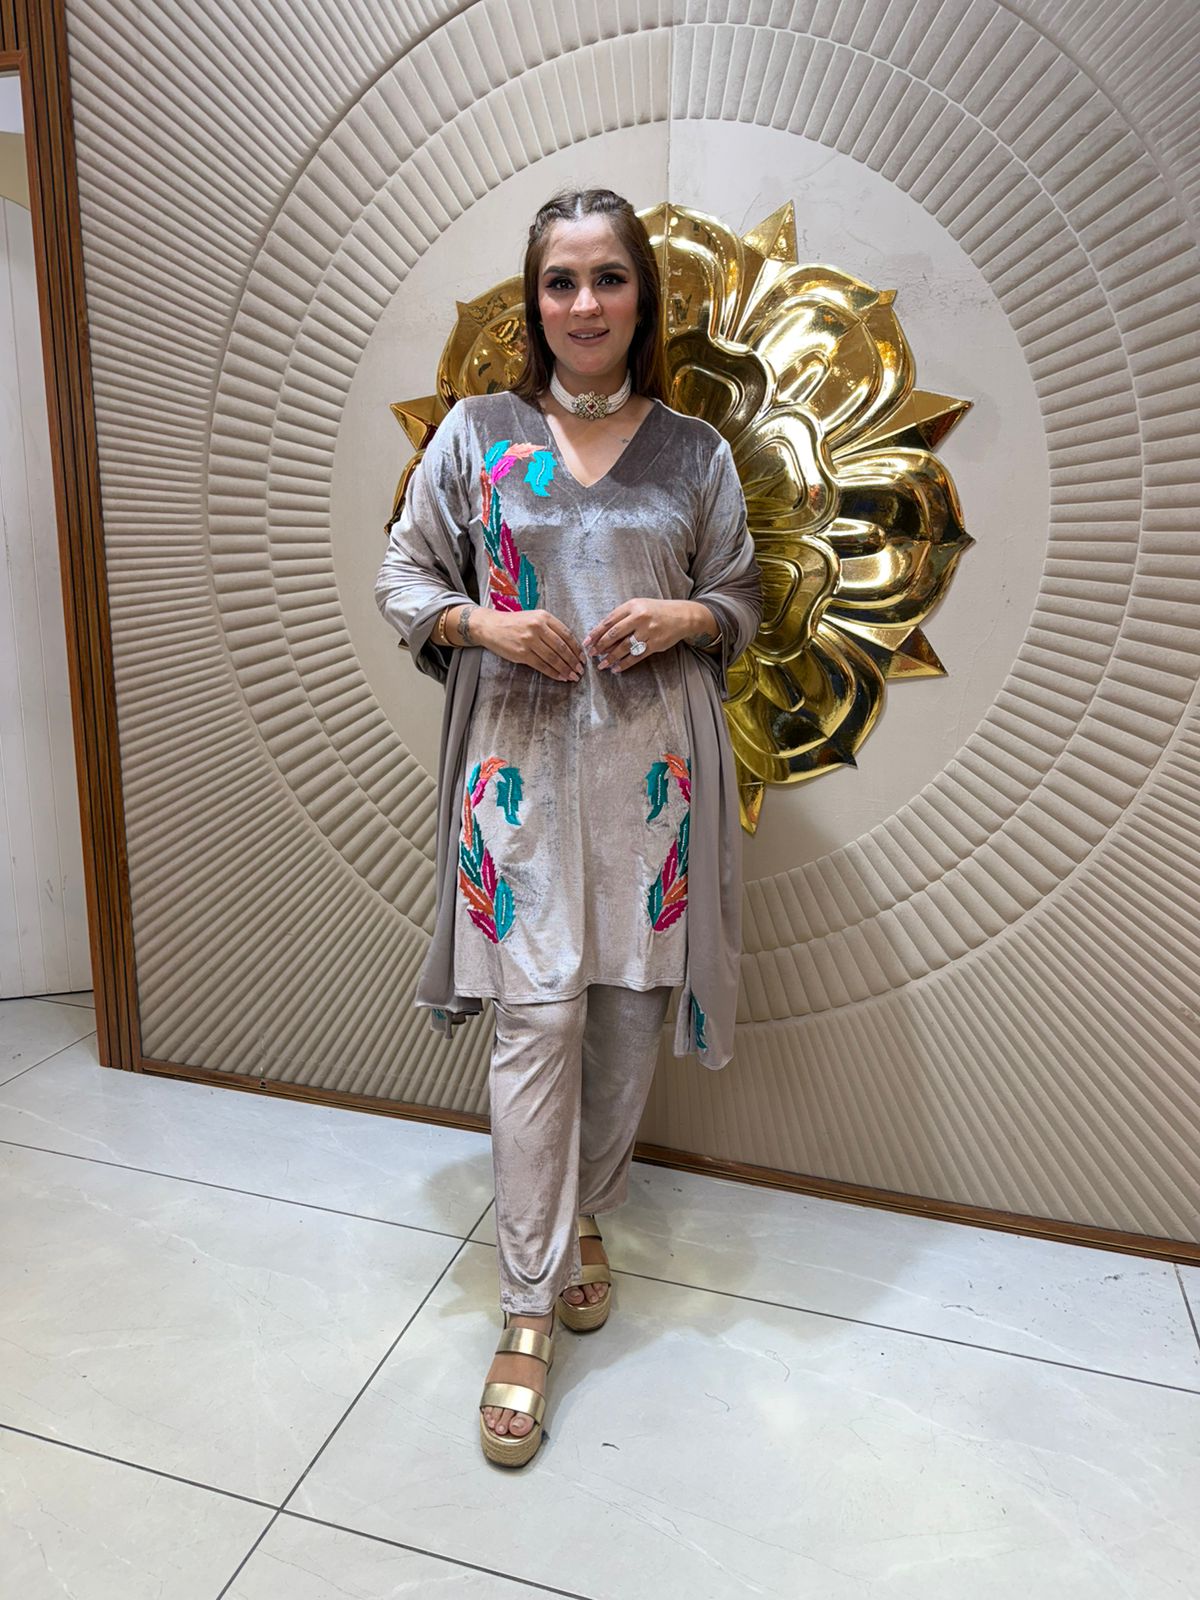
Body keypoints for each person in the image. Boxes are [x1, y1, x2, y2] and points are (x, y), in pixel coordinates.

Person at [375, 188, 762, 1466]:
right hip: (519, 774)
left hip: (652, 778)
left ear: (642, 296)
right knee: (536, 1021)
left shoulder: (694, 452)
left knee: (629, 1018)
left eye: (607, 278)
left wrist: (687, 617)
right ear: (533, 301)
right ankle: (528, 1306)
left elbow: (741, 593)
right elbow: (404, 574)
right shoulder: (479, 436)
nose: (584, 303)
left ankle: (583, 1213)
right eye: (560, 281)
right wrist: (483, 622)